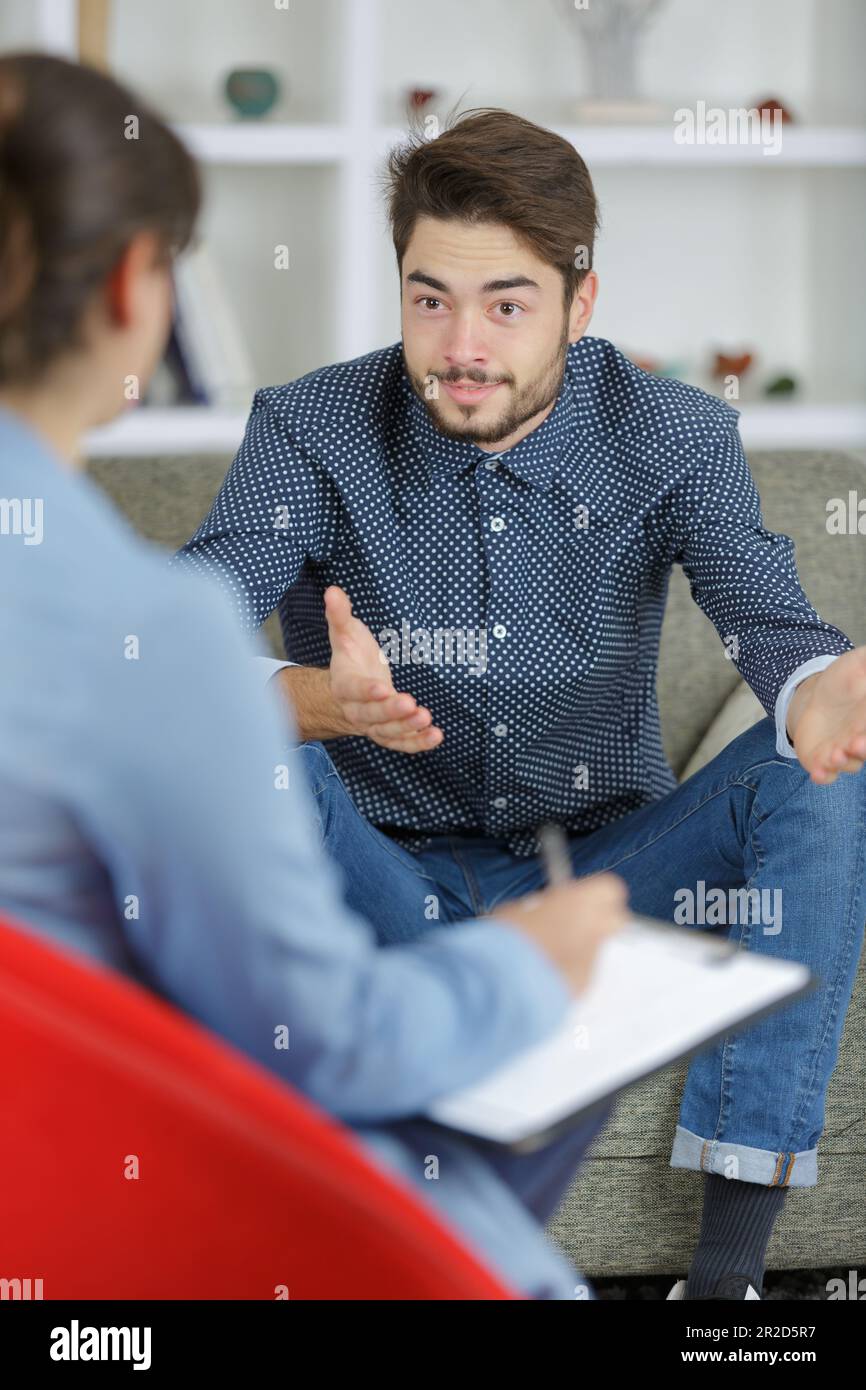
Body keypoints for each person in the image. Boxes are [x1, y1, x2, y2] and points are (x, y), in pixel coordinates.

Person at [176, 106, 866, 1300]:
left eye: (506, 303)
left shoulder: (675, 434)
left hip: (599, 883)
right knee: (232, 738)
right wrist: (298, 698)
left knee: (822, 767)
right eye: (427, 297)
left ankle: (726, 1288)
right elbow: (168, 633)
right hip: (377, 885)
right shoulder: (311, 424)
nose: (459, 345)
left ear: (578, 303)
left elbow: (764, 614)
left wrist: (810, 694)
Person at [0, 51, 633, 1303]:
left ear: (576, 301)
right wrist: (530, 960)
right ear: (138, 287)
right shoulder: (147, 625)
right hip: (179, 1215)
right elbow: (328, 1038)